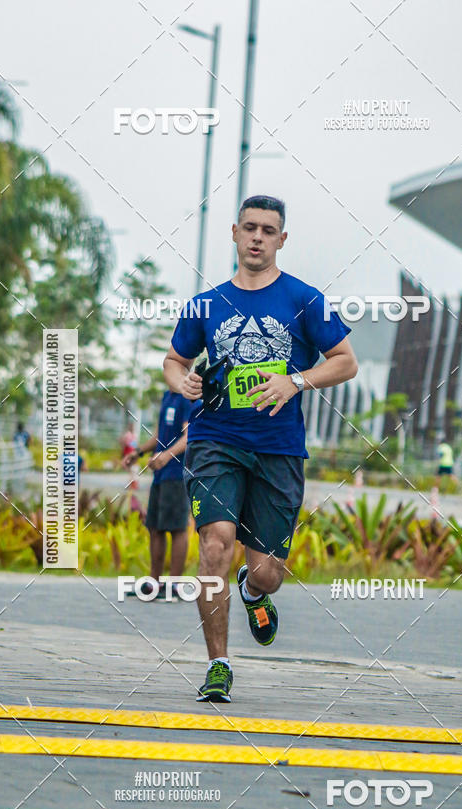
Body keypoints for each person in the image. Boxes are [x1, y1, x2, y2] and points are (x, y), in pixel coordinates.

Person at [163, 194, 358, 702]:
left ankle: (253, 590)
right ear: (233, 233)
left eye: (268, 230)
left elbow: (345, 362)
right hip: (215, 440)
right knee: (214, 546)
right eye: (248, 227)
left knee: (269, 573)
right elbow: (173, 360)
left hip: (278, 447)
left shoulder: (305, 300)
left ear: (282, 239)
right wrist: (180, 379)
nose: (256, 237)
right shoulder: (205, 303)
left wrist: (296, 380)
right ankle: (218, 665)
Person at [124, 391, 192, 600]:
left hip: (177, 473)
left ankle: (174, 585)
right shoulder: (166, 396)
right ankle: (154, 583)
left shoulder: (187, 397)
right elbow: (158, 436)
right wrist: (139, 452)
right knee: (155, 527)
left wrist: (166, 456)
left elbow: (189, 435)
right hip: (160, 473)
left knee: (177, 528)